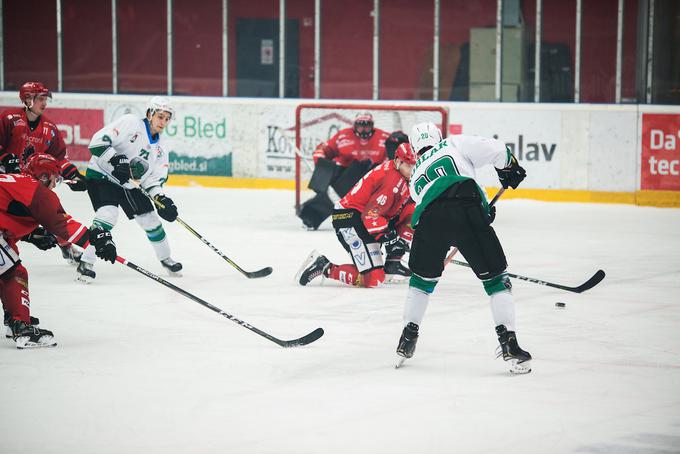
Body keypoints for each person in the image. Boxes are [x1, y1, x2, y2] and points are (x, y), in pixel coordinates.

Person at [395, 122, 531, 374]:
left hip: (428, 222)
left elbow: (438, 202)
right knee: (497, 280)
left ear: (414, 149)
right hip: (466, 209)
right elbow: (498, 150)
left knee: (421, 281)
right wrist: (509, 167)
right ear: (438, 136)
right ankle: (509, 343)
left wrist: (478, 210)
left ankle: (407, 337)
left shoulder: (414, 178)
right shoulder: (452, 143)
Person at [1, 153, 117, 348]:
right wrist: (96, 239)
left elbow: (7, 215)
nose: (55, 185)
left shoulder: (18, 182)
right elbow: (61, 223)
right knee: (13, 272)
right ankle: (21, 327)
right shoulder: (35, 189)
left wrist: (30, 236)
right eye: (55, 179)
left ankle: (15, 319)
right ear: (44, 176)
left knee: (9, 266)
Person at [76, 96, 181, 283]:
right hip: (102, 175)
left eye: (167, 118)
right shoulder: (130, 123)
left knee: (151, 220)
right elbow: (97, 142)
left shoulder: (161, 148)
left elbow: (153, 180)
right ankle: (86, 262)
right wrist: (116, 159)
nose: (163, 122)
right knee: (108, 215)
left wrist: (162, 199)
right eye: (160, 117)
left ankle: (166, 259)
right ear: (150, 114)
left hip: (127, 183)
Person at [296, 143, 417, 288]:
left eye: (414, 166)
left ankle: (393, 263)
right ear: (398, 161)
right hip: (349, 218)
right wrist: (390, 238)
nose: (412, 170)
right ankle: (325, 267)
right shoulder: (391, 181)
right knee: (373, 279)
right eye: (409, 166)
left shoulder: (400, 174)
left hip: (367, 217)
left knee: (414, 211)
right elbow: (371, 216)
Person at [0, 81, 88, 265]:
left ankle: (66, 247)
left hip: (33, 184)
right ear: (28, 99)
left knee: (52, 213)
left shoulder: (50, 128)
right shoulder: (9, 119)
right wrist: (5, 158)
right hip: (7, 184)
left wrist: (73, 174)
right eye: (40, 99)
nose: (45, 103)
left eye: (45, 99)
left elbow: (59, 157)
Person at [298, 112, 390, 230]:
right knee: (333, 192)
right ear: (354, 126)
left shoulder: (384, 138)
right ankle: (310, 217)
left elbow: (393, 158)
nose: (363, 130)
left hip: (373, 177)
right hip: (346, 177)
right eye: (360, 126)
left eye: (366, 126)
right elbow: (325, 149)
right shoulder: (343, 136)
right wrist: (320, 160)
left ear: (372, 125)